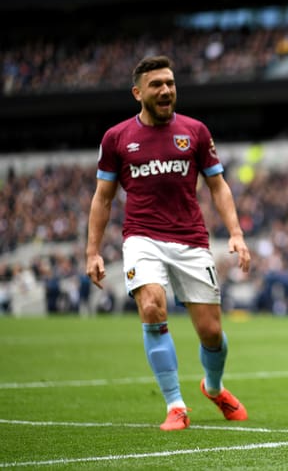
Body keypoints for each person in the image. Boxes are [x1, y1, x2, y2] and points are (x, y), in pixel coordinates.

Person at [85, 55, 251, 431]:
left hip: (191, 240)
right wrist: (92, 251)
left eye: (170, 83)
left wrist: (236, 233)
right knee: (152, 305)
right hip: (141, 238)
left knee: (211, 332)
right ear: (137, 92)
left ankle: (213, 386)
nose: (165, 90)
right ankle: (176, 405)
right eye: (157, 84)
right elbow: (103, 198)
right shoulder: (116, 138)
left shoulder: (195, 132)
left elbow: (217, 186)